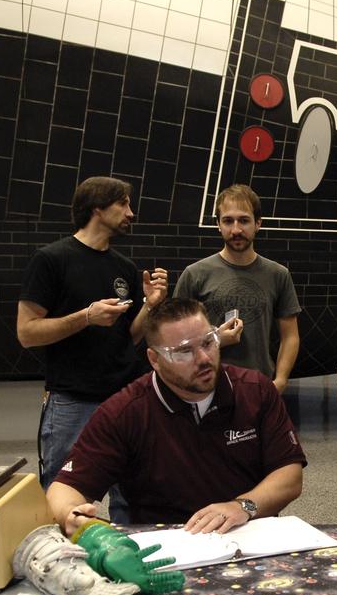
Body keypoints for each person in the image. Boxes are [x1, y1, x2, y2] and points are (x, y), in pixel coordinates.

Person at [45, 298, 306, 536]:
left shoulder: (255, 390)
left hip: (249, 533)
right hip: (166, 543)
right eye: (184, 351)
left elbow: (289, 473)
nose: (204, 359)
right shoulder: (125, 412)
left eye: (208, 342)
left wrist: (243, 505)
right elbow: (64, 489)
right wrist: (73, 516)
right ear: (155, 360)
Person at [17, 176, 168, 522]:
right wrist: (86, 317)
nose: (132, 212)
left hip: (124, 398)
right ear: (98, 208)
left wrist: (151, 304)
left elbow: (127, 338)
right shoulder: (51, 260)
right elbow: (26, 332)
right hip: (72, 401)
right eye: (124, 204)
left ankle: (130, 560)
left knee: (133, 493)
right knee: (63, 494)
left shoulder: (124, 268)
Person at [173, 184, 302, 393]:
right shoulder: (195, 274)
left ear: (258, 223)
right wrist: (216, 340)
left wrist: (280, 380)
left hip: (259, 387)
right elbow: (177, 339)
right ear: (218, 224)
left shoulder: (278, 275)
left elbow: (290, 336)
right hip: (206, 387)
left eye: (244, 220)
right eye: (228, 221)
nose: (236, 230)